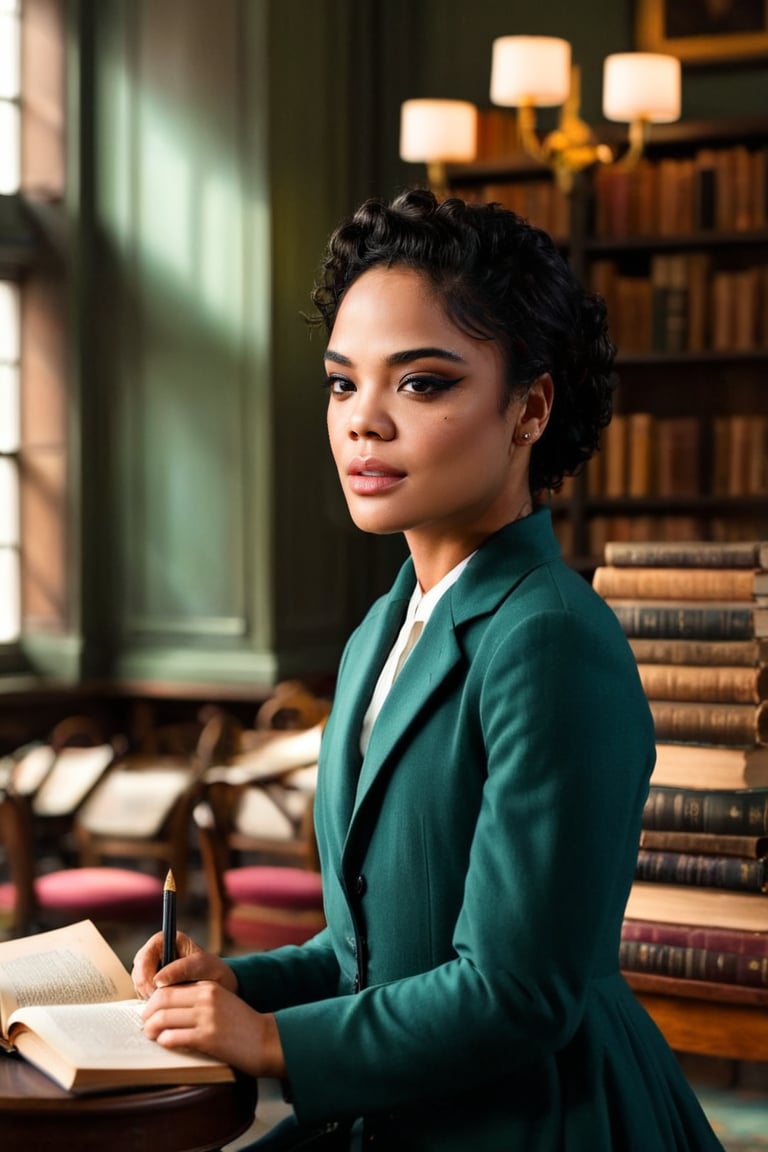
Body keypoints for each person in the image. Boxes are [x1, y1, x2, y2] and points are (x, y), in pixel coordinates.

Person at [133, 189, 724, 1151]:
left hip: (531, 1119)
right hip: (397, 1107)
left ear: (530, 407)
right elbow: (373, 949)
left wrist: (272, 1040)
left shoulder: (552, 640)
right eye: (341, 383)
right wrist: (239, 984)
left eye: (421, 383)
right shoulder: (381, 629)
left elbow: (517, 990)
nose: (364, 422)